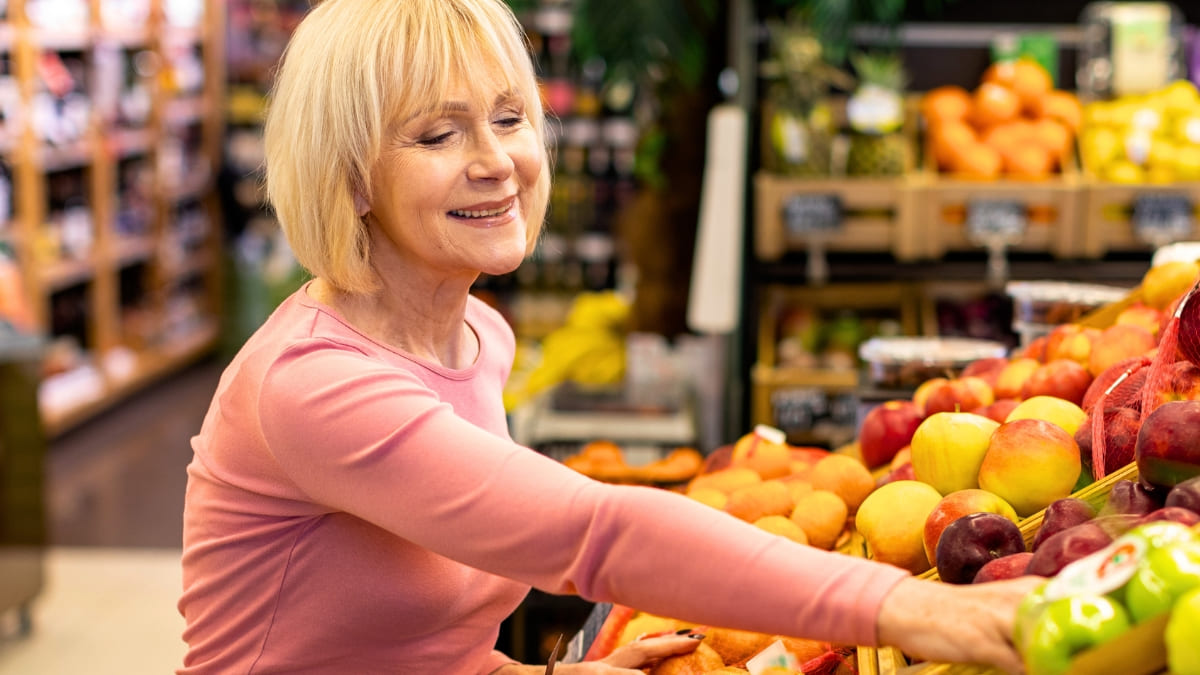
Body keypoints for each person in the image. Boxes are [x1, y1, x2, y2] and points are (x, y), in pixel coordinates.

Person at [177, 1, 1042, 673]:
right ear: (350, 176)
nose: (495, 160)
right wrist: (903, 605)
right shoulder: (316, 385)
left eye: (509, 119)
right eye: (438, 134)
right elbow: (594, 534)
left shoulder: (476, 335)